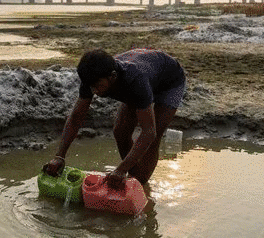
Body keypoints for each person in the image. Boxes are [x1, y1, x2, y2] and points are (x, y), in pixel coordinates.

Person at [43, 48, 187, 189]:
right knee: (120, 131)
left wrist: (120, 170)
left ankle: (140, 184)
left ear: (112, 76)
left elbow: (149, 132)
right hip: (146, 74)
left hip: (169, 81)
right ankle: (132, 177)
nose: (95, 92)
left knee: (153, 139)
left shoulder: (135, 80)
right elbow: (76, 118)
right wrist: (59, 156)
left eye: (99, 86)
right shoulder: (91, 79)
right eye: (91, 87)